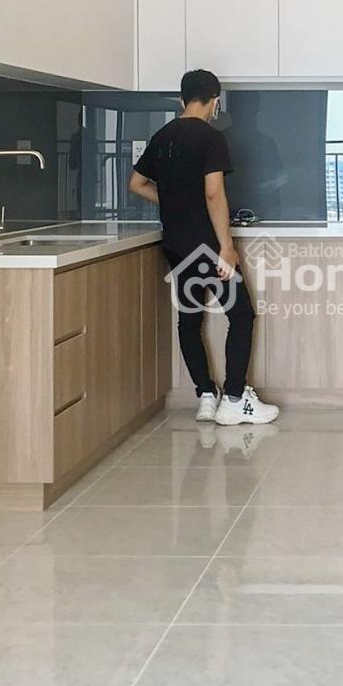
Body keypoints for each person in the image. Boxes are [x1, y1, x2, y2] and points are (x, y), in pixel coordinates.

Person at [128, 69, 280, 426]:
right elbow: (214, 193)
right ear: (215, 101)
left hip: (176, 244)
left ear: (182, 99)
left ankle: (206, 397)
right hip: (207, 245)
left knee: (190, 320)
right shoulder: (211, 138)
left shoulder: (162, 136)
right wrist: (226, 246)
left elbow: (136, 183)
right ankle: (234, 398)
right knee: (241, 315)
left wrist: (172, 203)